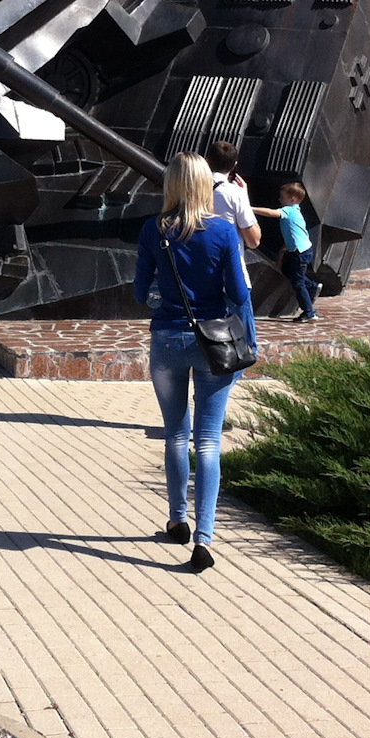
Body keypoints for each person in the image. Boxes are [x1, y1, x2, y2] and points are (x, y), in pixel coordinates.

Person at [133, 152, 258, 572]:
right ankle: (204, 538)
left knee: (174, 433)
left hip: (166, 340)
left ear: (170, 184)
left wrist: (162, 298)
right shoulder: (222, 232)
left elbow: (138, 292)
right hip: (213, 344)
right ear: (206, 185)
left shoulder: (154, 229)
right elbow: (240, 294)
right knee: (208, 441)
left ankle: (176, 519)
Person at [258, 181, 317, 322]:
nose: (280, 200)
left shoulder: (289, 210)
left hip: (300, 251)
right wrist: (282, 252)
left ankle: (309, 312)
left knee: (298, 283)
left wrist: (250, 209)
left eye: (282, 197)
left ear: (293, 199)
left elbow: (271, 213)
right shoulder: (296, 211)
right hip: (301, 249)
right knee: (289, 272)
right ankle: (312, 286)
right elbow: (292, 234)